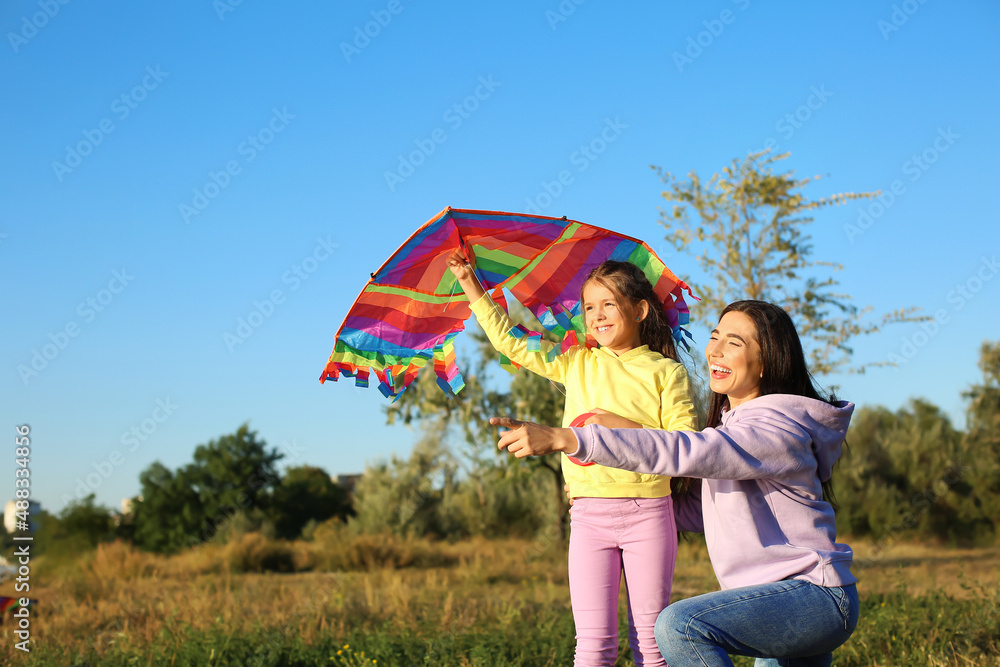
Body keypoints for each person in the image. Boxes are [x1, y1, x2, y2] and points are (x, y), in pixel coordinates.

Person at [492, 299, 859, 667]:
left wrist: (573, 439)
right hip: (775, 603)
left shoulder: (776, 430)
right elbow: (699, 510)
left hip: (812, 598)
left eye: (734, 342)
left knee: (678, 626)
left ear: (767, 361)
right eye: (715, 337)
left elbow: (689, 451)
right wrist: (615, 494)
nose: (715, 349)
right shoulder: (735, 427)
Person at [447, 252, 697, 667]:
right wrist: (471, 284)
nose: (596, 315)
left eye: (609, 304)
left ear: (639, 309)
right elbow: (510, 340)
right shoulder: (576, 362)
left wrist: (621, 425)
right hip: (587, 518)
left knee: (652, 646)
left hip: (649, 514)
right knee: (593, 646)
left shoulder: (665, 373)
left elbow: (685, 448)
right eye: (589, 307)